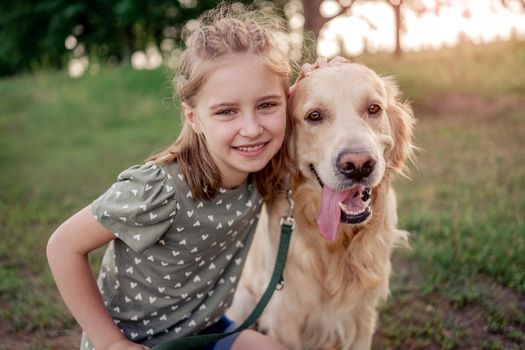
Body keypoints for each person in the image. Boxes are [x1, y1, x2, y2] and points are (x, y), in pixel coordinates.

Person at [46, 4, 292, 350]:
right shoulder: (159, 189)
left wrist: (325, 76)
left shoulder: (267, 167)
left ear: (288, 102)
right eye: (226, 111)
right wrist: (109, 342)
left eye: (267, 105)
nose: (252, 129)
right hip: (138, 342)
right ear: (193, 117)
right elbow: (62, 247)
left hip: (206, 330)